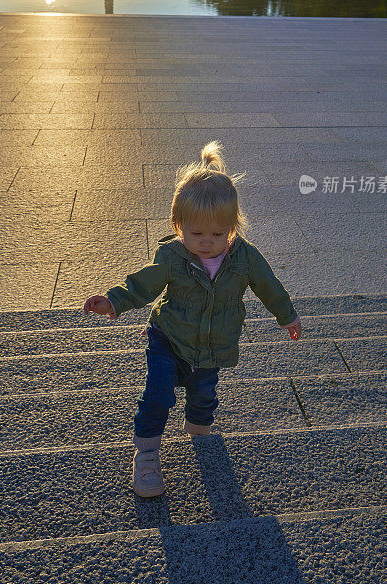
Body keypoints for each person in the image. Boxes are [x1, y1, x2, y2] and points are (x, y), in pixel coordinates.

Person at [83, 140, 302, 498]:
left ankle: (199, 428)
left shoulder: (245, 258)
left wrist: (286, 315)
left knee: (203, 395)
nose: (206, 243)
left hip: (213, 344)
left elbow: (269, 286)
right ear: (178, 224)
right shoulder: (172, 255)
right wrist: (113, 302)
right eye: (196, 233)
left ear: (233, 227)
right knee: (157, 394)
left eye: (218, 234)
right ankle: (147, 453)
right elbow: (142, 284)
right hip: (168, 337)